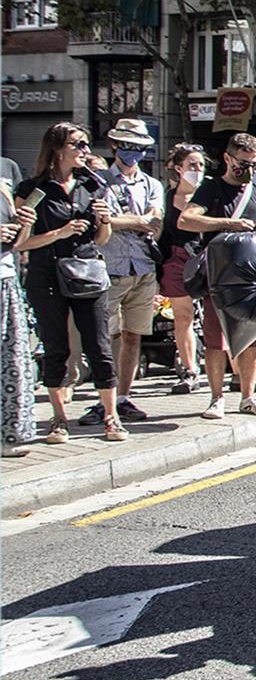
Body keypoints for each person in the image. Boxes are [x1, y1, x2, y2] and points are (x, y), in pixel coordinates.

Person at [14, 122, 121, 441]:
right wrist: (59, 233)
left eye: (86, 144)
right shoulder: (33, 190)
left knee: (99, 345)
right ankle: (59, 418)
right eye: (79, 144)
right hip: (46, 273)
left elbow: (101, 239)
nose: (86, 150)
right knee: (55, 346)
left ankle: (111, 416)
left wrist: (105, 221)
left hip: (87, 272)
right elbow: (20, 243)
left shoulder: (93, 185)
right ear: (58, 149)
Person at [180, 133, 256, 420]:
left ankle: (247, 397)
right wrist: (229, 223)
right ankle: (216, 399)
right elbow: (186, 219)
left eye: (254, 165)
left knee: (252, 340)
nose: (249, 170)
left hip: (254, 282)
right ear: (228, 159)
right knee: (216, 341)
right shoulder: (211, 189)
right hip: (220, 279)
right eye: (243, 163)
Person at [101, 118, 164, 424]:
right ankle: (105, 398)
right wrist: (138, 221)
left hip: (143, 267)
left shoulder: (152, 185)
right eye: (127, 146)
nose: (133, 153)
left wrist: (126, 221)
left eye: (139, 147)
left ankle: (124, 397)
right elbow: (103, 222)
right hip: (109, 268)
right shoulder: (100, 182)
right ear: (115, 146)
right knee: (108, 336)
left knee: (133, 336)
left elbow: (156, 221)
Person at [159, 144, 208, 394]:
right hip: (177, 260)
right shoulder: (167, 198)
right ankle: (190, 370)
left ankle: (234, 370)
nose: (197, 169)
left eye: (201, 165)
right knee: (183, 317)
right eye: (192, 165)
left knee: (219, 315)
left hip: (208, 260)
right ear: (178, 168)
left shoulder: (210, 194)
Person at [2, 162, 39, 452]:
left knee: (11, 360)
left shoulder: (5, 175)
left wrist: (24, 223)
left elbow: (16, 243)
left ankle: (9, 434)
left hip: (6, 277)